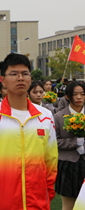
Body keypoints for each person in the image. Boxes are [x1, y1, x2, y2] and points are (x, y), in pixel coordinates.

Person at [0, 53, 58, 209]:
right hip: (2, 202)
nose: (20, 78)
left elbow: (51, 161)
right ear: (2, 80)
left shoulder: (45, 117)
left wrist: (47, 193)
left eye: (25, 73)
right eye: (13, 74)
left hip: (37, 202)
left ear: (30, 78)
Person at [54, 81, 85, 210]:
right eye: (75, 94)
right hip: (67, 164)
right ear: (67, 96)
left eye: (82, 94)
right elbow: (54, 141)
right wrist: (74, 143)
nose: (79, 97)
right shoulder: (58, 117)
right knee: (68, 205)